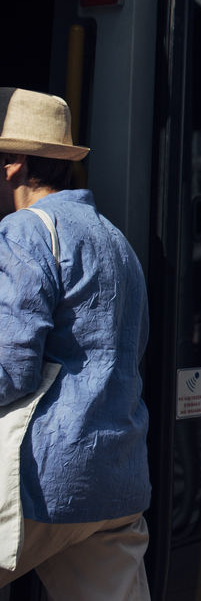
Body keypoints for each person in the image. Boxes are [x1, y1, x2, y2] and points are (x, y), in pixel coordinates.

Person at [0, 88, 151, 597]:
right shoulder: (116, 241)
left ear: (13, 164)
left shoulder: (23, 232)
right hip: (118, 483)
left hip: (47, 481)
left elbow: (10, 367)